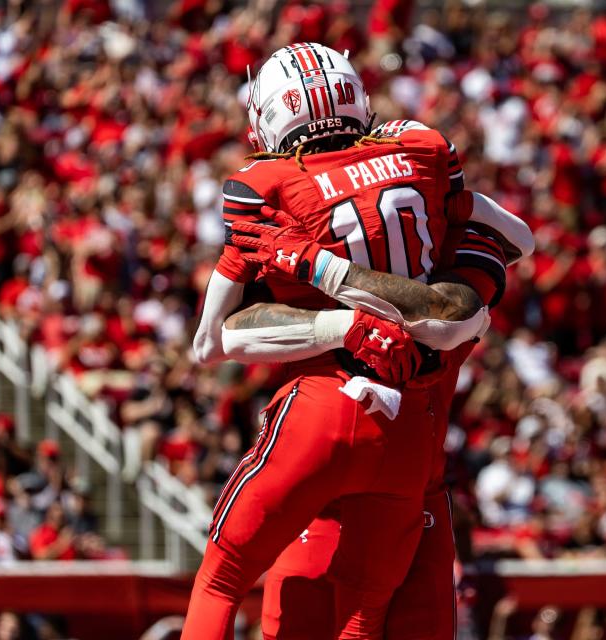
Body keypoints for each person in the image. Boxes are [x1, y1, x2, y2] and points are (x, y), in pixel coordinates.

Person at [183, 43, 528, 639]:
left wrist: (325, 282)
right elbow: (492, 269)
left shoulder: (275, 188)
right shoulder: (422, 160)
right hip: (410, 439)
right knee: (363, 624)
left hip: (317, 410)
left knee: (224, 577)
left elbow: (211, 342)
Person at [220, 187, 527, 639]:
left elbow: (216, 337)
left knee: (222, 581)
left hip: (336, 505)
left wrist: (324, 268)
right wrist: (453, 199)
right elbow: (515, 242)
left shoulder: (316, 290)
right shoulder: (453, 290)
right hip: (402, 502)